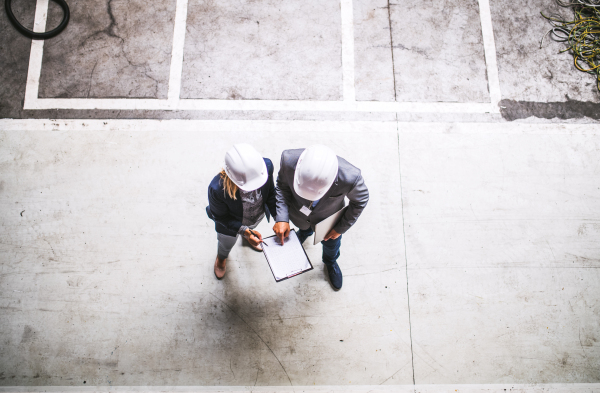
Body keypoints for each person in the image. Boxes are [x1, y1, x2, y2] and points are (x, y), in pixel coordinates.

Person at [273, 145, 369, 290]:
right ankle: (305, 232)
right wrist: (282, 218)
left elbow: (360, 200)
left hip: (328, 222)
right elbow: (282, 187)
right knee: (303, 227)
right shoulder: (288, 160)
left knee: (332, 246)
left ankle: (330, 262)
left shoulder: (351, 177)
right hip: (299, 214)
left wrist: (339, 229)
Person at [206, 144, 277, 280]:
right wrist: (244, 231)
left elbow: (271, 193)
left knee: (252, 230)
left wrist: (278, 218)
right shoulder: (217, 189)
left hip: (255, 216)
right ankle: (222, 257)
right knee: (225, 243)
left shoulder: (266, 166)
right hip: (229, 227)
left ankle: (248, 237)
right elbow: (220, 217)